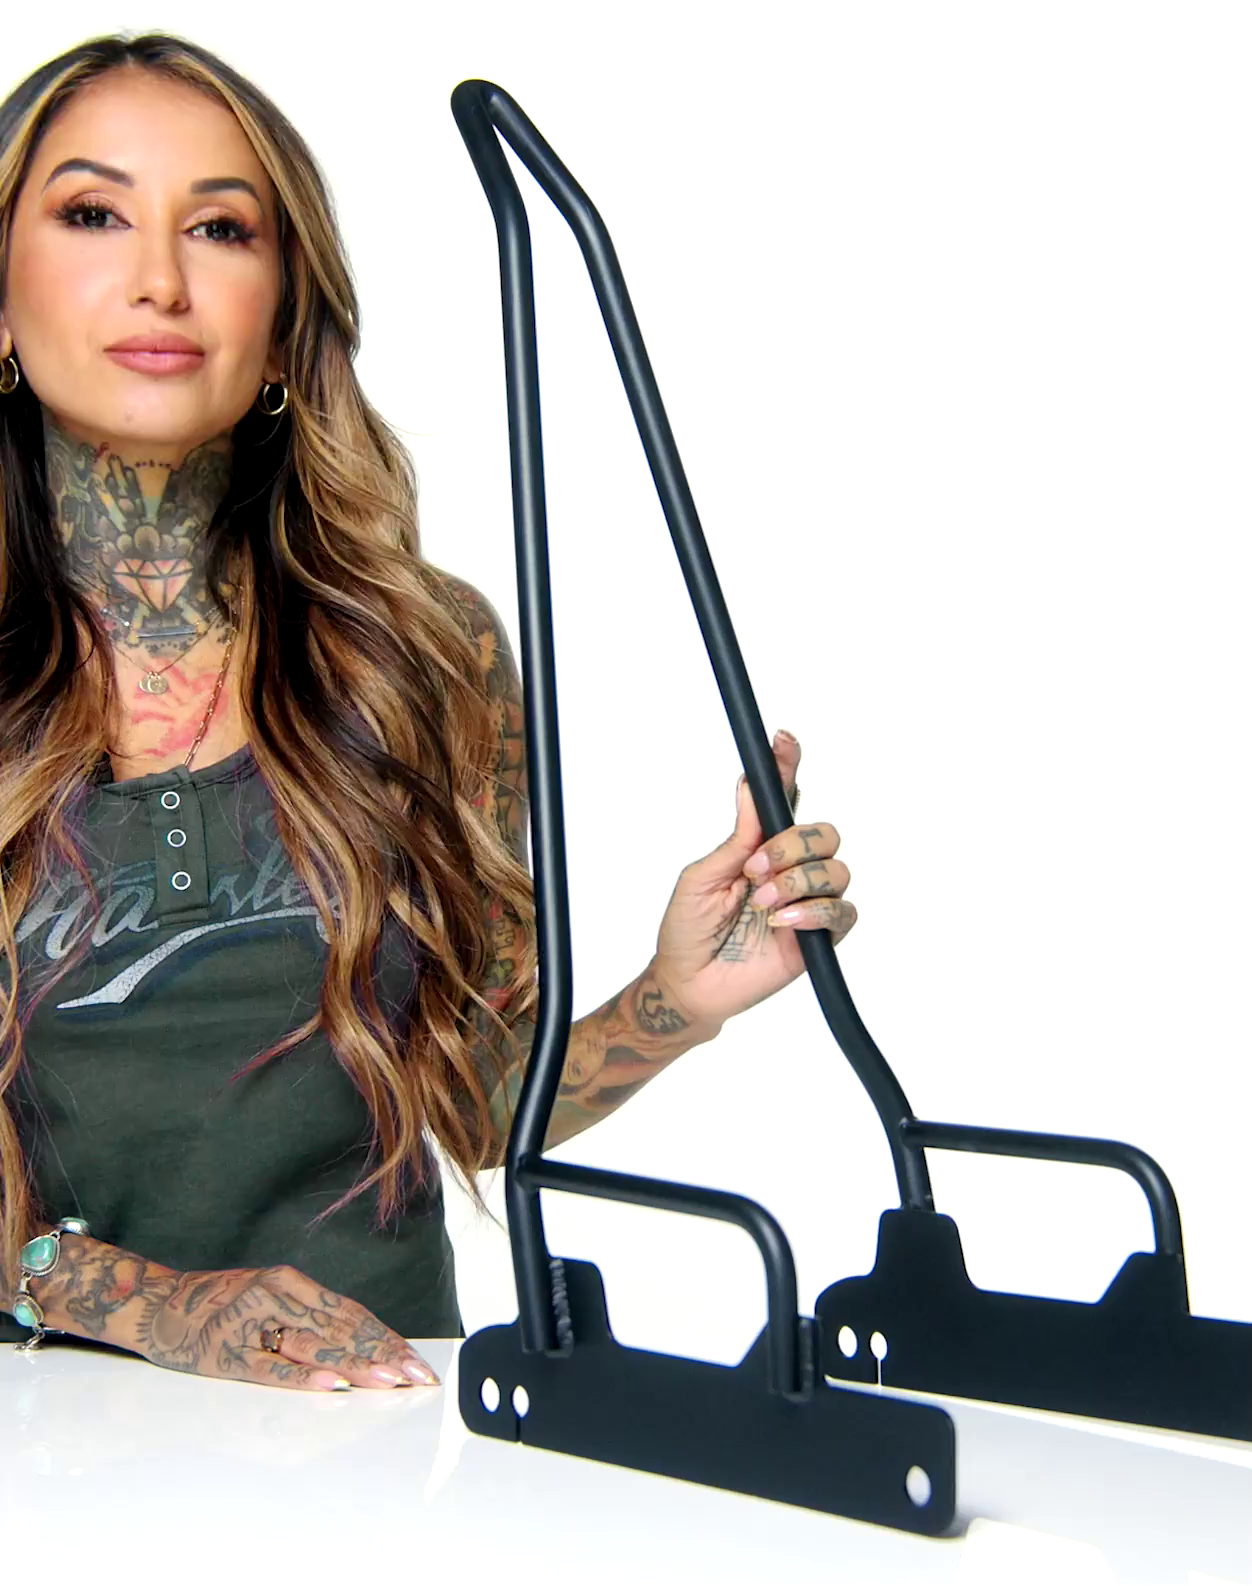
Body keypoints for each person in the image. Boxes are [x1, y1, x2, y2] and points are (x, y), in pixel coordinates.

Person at [0, 32, 855, 1393]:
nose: (160, 278)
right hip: (42, 1444)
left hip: (379, 1424)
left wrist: (678, 997)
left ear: (285, 318)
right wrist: (158, 1306)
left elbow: (469, 1104)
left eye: (220, 228)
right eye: (93, 214)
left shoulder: (421, 653)